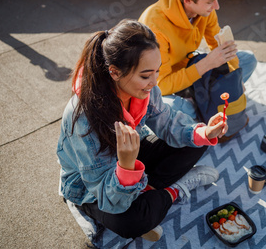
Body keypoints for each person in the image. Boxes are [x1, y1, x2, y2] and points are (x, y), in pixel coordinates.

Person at [57, 19, 227, 241]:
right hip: (90, 183)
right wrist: (126, 167)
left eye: (157, 71)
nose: (154, 82)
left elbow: (166, 122)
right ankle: (174, 190)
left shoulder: (147, 89)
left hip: (130, 154)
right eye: (145, 75)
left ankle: (147, 192)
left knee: (195, 140)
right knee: (131, 221)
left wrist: (205, 133)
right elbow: (106, 195)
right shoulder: (83, 118)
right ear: (115, 72)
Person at [139, 0, 257, 138]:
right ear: (188, 0)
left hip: (192, 73)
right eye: (210, 2)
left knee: (248, 60)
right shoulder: (154, 25)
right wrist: (207, 65)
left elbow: (222, 46)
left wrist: (235, 75)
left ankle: (201, 105)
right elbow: (160, 85)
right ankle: (199, 108)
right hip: (162, 84)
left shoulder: (204, 10)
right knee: (171, 109)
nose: (216, 6)